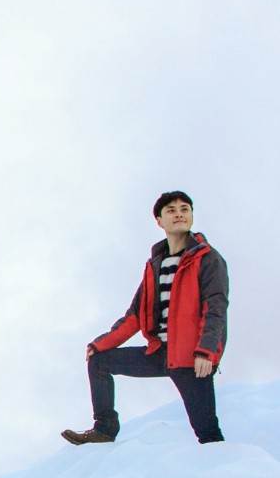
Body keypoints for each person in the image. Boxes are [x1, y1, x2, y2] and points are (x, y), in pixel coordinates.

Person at [63, 190, 228, 445]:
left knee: (208, 434)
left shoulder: (208, 259)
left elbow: (215, 308)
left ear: (192, 216)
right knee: (100, 362)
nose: (179, 214)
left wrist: (206, 352)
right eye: (171, 210)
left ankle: (228, 477)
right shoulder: (155, 265)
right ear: (160, 221)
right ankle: (104, 430)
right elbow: (135, 316)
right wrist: (100, 344)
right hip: (158, 354)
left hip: (191, 359)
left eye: (185, 209)